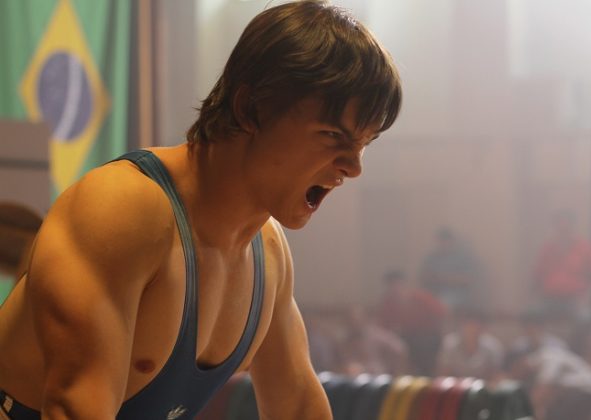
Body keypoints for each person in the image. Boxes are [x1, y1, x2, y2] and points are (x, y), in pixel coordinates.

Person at [0, 2, 402, 419]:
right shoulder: (122, 211)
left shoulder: (268, 252)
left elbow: (298, 405)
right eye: (333, 135)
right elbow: (75, 410)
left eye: (364, 144)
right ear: (252, 109)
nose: (353, 167)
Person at [532, 210, 591, 353]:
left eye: (566, 226)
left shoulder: (584, 248)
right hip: (550, 300)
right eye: (560, 226)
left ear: (572, 226)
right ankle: (541, 352)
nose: (563, 230)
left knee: (586, 318)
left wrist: (587, 298)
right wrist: (539, 294)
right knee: (531, 315)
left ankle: (574, 352)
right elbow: (537, 276)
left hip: (575, 300)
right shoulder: (547, 248)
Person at [376, 269, 446, 376]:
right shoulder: (388, 303)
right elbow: (384, 328)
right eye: (391, 285)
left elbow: (441, 315)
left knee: (424, 346)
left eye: (397, 284)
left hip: (428, 336)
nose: (395, 288)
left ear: (404, 284)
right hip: (404, 338)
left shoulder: (421, 297)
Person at [507, 345, 591, 420]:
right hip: (583, 392)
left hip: (589, 391)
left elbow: (544, 387)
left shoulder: (547, 357)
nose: (515, 376)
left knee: (556, 415)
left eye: (514, 371)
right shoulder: (534, 372)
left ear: (519, 363)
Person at [418, 226, 485, 311]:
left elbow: (468, 279)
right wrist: (429, 278)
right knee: (418, 301)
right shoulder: (431, 257)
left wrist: (445, 278)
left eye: (445, 241)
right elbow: (423, 276)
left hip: (456, 294)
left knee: (442, 303)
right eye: (440, 241)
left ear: (452, 241)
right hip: (433, 291)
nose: (442, 244)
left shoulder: (463, 257)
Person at [436, 306, 504, 382]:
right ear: (462, 326)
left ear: (483, 327)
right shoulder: (450, 344)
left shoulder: (492, 347)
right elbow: (443, 374)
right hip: (455, 387)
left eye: (476, 326)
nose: (472, 330)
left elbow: (495, 376)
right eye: (469, 325)